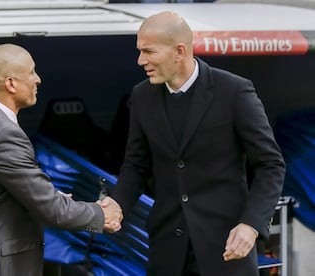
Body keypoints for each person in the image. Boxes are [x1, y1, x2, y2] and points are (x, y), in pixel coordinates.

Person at [104, 11, 285, 276]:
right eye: (140, 51)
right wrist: (117, 204)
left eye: (149, 51)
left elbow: (271, 165)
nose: (141, 60)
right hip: (167, 250)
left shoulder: (234, 91)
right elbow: (135, 165)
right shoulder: (141, 96)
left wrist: (252, 224)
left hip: (226, 249)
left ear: (179, 51)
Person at [0, 43, 123, 276]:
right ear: (11, 84)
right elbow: (51, 209)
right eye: (31, 72)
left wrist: (46, 197)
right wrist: (101, 214)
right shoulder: (4, 135)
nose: (38, 80)